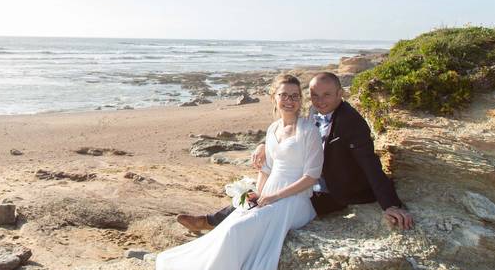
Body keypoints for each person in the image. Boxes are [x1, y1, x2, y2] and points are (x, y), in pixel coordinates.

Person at [146, 74, 323, 270]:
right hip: (269, 192)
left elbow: (312, 176)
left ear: (301, 100)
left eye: (295, 96)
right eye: (284, 95)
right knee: (235, 220)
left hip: (294, 200)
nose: (289, 100)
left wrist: (274, 197)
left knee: (236, 230)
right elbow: (266, 168)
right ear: (274, 97)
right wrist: (258, 194)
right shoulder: (272, 129)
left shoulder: (308, 131)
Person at [176, 72, 414, 232]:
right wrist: (263, 144)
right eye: (315, 95)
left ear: (340, 94)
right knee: (256, 194)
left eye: (327, 95)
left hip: (331, 190)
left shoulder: (351, 122)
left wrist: (391, 204)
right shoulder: (313, 113)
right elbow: (287, 131)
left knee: (264, 209)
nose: (320, 101)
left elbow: (369, 163)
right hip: (303, 177)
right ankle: (211, 221)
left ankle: (212, 223)